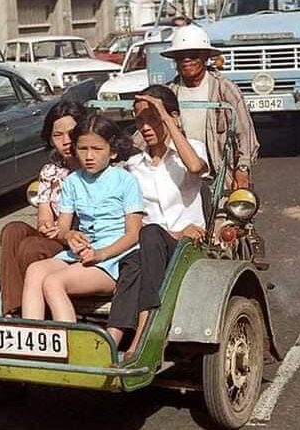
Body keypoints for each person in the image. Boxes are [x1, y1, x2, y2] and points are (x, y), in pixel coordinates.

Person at [108, 85, 208, 356]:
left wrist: (165, 116)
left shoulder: (192, 150)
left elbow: (196, 167)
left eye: (152, 119)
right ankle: (111, 339)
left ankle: (144, 333)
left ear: (171, 117)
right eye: (140, 120)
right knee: (136, 259)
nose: (145, 127)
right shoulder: (134, 165)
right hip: (148, 246)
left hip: (187, 247)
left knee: (151, 234)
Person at [21, 115, 144, 331]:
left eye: (97, 149)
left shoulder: (125, 181)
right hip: (80, 254)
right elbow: (63, 228)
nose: (89, 156)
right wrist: (68, 235)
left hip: (113, 259)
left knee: (53, 283)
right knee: (35, 270)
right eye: (82, 149)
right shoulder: (73, 182)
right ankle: (32, 337)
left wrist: (101, 254)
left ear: (113, 151)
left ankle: (67, 342)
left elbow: (133, 234)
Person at [0, 101, 86, 316]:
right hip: (54, 237)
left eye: (71, 133)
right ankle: (13, 309)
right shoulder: (50, 171)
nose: (66, 141)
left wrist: (63, 232)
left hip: (77, 239)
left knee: (31, 248)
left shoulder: (93, 167)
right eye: (58, 135)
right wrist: (47, 226)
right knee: (12, 230)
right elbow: (44, 216)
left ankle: (37, 312)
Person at [160, 25, 259, 189]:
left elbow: (245, 134)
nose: (186, 60)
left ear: (205, 57)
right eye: (180, 56)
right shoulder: (168, 93)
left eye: (193, 55)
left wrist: (242, 169)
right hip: (179, 176)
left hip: (218, 175)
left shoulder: (225, 89)